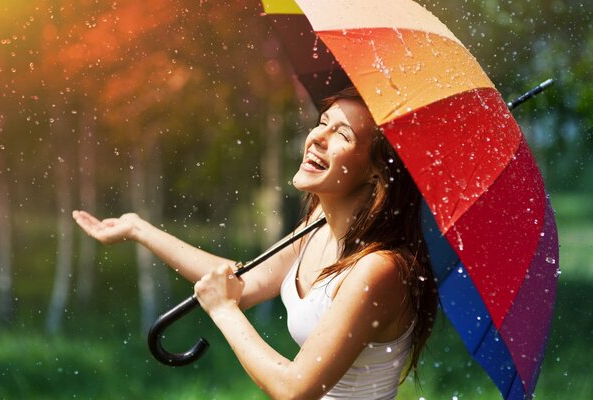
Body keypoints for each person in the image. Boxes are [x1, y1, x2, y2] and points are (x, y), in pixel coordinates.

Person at [73, 86, 438, 399]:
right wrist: (140, 230)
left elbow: (295, 389)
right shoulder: (318, 227)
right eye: (322, 122)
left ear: (377, 172)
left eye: (342, 135)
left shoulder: (380, 269)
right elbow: (244, 283)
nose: (318, 138)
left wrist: (224, 311)